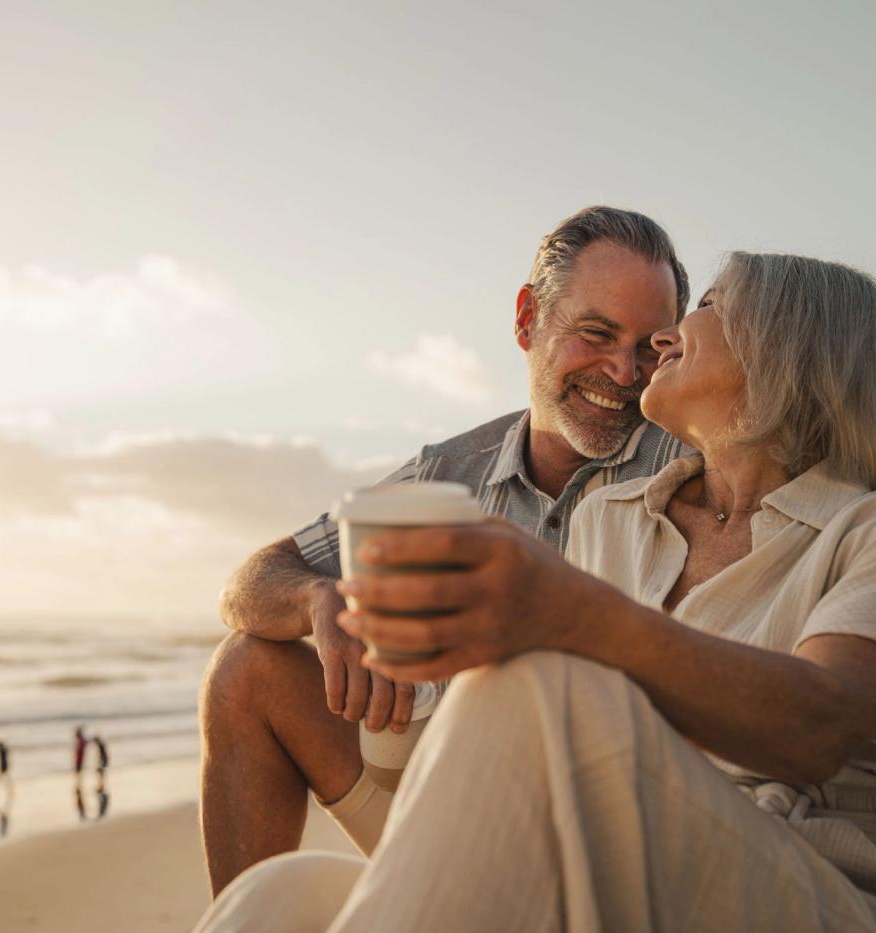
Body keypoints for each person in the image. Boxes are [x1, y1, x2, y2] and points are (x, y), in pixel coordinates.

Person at [196, 253, 876, 933]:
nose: (659, 341)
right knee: (281, 896)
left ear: (787, 351)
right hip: (601, 854)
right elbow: (266, 577)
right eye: (599, 333)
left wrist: (567, 612)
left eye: (708, 306)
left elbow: (820, 724)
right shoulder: (608, 517)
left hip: (810, 887)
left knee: (541, 688)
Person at [200, 206, 692, 895]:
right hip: (444, 814)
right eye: (596, 332)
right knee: (246, 666)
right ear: (527, 319)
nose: (622, 370)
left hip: (614, 845)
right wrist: (319, 599)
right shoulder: (447, 472)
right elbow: (247, 584)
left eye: (648, 347)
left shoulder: (692, 471)